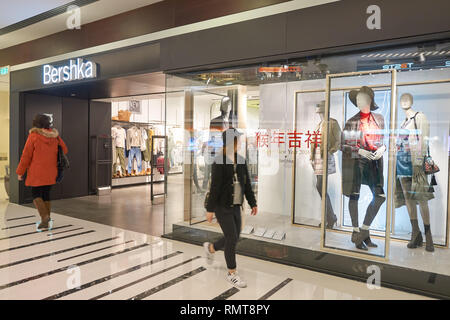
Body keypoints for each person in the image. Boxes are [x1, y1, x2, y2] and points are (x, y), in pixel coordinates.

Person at [203, 128, 257, 288]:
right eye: (237, 140)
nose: (240, 143)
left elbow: (246, 183)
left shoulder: (240, 159)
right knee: (232, 238)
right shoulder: (219, 161)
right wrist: (210, 209)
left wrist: (252, 202)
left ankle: (211, 247)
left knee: (233, 236)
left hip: (236, 206)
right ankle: (232, 273)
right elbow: (215, 187)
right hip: (222, 206)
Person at [16, 114, 68, 230]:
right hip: (51, 171)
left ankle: (44, 217)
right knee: (45, 194)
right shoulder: (54, 136)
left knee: (36, 194)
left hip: (37, 172)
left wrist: (20, 172)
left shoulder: (34, 136)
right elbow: (65, 149)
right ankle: (47, 218)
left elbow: (26, 156)